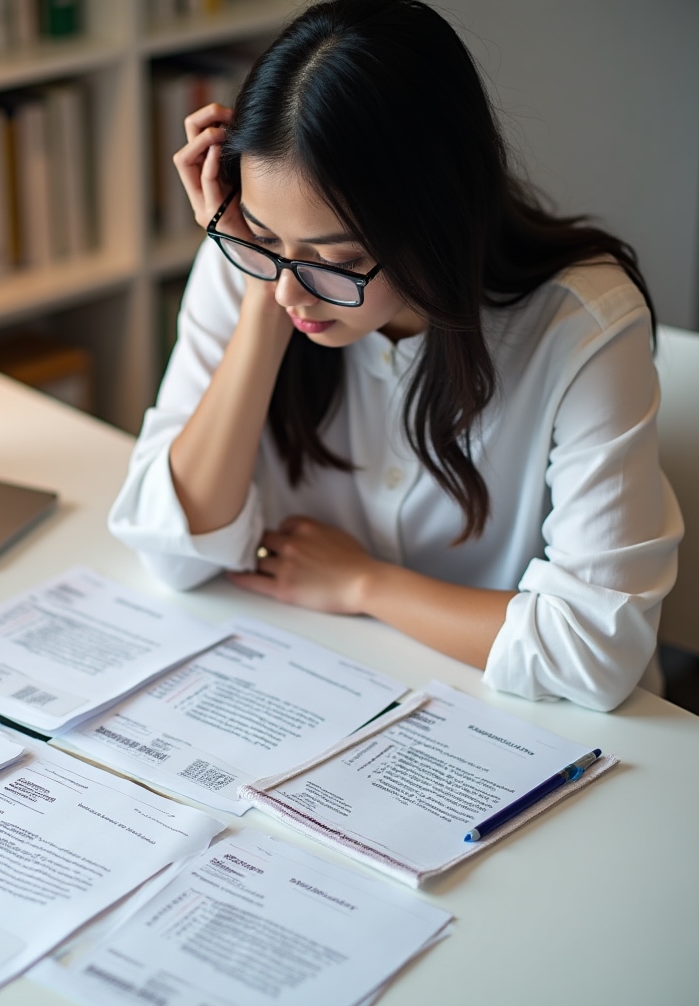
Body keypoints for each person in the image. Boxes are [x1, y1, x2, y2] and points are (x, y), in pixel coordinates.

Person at [108, 0, 682, 711]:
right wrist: (261, 282)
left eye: (336, 258)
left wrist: (362, 584)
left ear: (432, 219)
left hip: (534, 723)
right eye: (264, 234)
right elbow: (170, 550)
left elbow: (595, 651)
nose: (294, 288)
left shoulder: (582, 323)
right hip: (325, 687)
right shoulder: (255, 263)